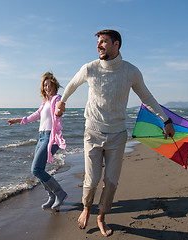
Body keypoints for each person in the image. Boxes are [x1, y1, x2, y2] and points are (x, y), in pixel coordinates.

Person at [57, 30, 175, 236]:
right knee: (92, 181)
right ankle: (86, 208)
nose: (99, 45)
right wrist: (61, 103)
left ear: (116, 44)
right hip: (92, 133)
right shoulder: (89, 68)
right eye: (98, 42)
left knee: (111, 181)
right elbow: (72, 85)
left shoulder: (131, 72)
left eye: (103, 42)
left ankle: (102, 215)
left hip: (117, 135)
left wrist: (166, 120)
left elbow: (147, 97)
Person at [7, 72, 68, 210]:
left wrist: (60, 110)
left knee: (36, 169)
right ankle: (51, 196)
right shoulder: (45, 103)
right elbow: (34, 116)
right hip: (41, 137)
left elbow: (60, 108)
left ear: (55, 86)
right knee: (39, 170)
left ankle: (60, 193)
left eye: (49, 85)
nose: (47, 88)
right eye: (45, 85)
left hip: (50, 138)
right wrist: (18, 120)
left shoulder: (56, 98)